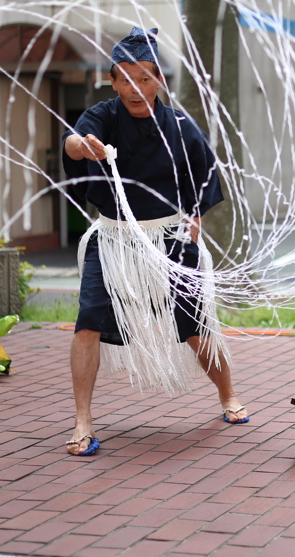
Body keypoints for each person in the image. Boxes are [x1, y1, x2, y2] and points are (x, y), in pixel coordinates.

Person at [61, 26, 248, 457]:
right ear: (112, 80)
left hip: (170, 237)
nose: (135, 88)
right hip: (112, 239)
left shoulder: (181, 126)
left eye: (144, 77)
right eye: (124, 78)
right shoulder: (103, 116)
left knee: (197, 331)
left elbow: (204, 175)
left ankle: (228, 396)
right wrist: (82, 146)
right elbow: (72, 142)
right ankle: (82, 422)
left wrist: (196, 216)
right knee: (87, 324)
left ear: (159, 78)